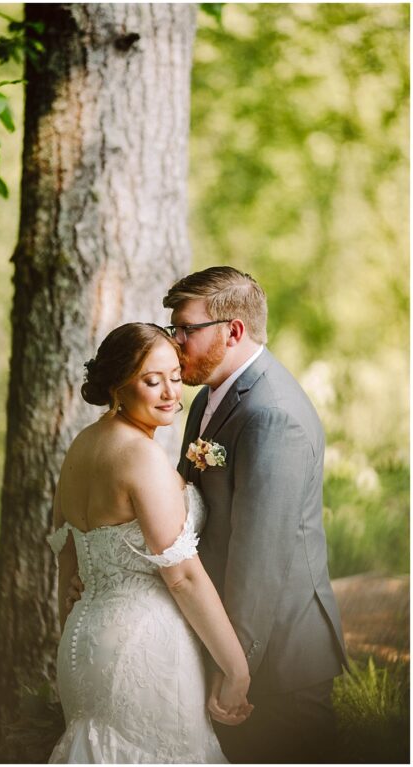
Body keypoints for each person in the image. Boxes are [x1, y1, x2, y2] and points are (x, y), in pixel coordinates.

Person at [163, 266, 347, 763]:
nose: (175, 341)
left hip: (279, 664)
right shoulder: (209, 396)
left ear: (234, 331)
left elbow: (259, 556)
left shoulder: (273, 414)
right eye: (173, 329)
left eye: (187, 329)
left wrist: (234, 667)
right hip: (230, 640)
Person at [47, 322, 252, 764]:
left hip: (82, 646)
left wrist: (75, 600)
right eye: (151, 380)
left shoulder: (80, 448)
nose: (169, 393)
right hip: (142, 650)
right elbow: (182, 577)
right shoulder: (140, 456)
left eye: (175, 378)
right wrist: (236, 668)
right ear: (118, 386)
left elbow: (67, 555)